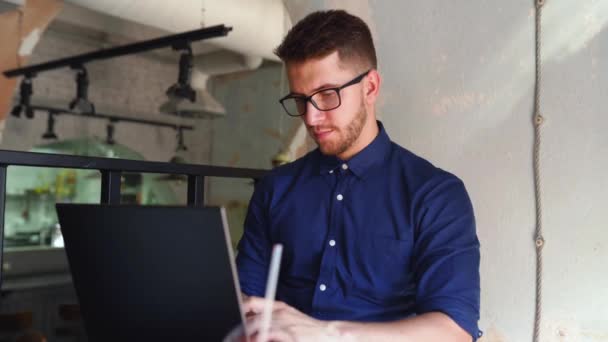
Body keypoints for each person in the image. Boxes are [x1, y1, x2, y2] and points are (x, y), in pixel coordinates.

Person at [236, 9, 481, 341]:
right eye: (300, 99)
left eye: (326, 95)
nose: (311, 117)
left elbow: (454, 330)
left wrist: (326, 333)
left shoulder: (435, 194)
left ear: (370, 87)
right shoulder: (275, 189)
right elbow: (245, 304)